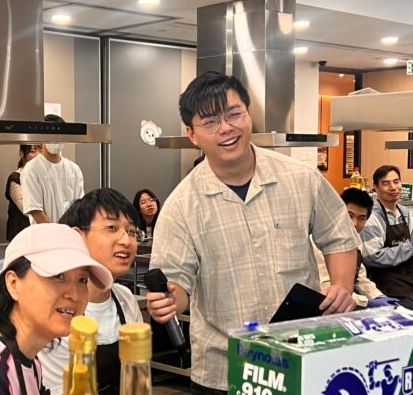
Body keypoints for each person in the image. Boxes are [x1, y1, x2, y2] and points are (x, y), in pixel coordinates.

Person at [145, 71, 359, 394]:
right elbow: (176, 283)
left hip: (300, 355)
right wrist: (169, 301)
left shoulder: (301, 178)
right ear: (192, 134)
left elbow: (339, 235)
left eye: (234, 114)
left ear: (249, 114)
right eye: (210, 122)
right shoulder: (181, 206)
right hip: (224, 369)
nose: (226, 128)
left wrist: (342, 285)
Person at [0, 223, 113, 394]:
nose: (74, 295)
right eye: (58, 276)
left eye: (82, 280)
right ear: (13, 284)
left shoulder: (29, 359)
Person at [40, 188, 144, 394]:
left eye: (131, 231)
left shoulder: (125, 299)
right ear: (77, 237)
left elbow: (138, 380)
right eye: (112, 227)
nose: (126, 240)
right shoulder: (57, 310)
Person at [317, 188, 397, 308]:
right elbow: (326, 287)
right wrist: (367, 302)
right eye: (350, 216)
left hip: (347, 300)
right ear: (338, 213)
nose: (354, 223)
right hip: (322, 303)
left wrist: (379, 297)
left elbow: (360, 278)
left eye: (361, 218)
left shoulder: (356, 241)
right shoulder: (321, 242)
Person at [360, 165, 413, 308]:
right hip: (387, 282)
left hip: (408, 277)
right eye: (386, 183)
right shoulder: (371, 216)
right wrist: (409, 247)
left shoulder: (405, 212)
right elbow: (372, 257)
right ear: (375, 187)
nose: (393, 187)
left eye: (396, 182)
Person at [21, 115, 84, 224]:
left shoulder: (74, 169)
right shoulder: (31, 170)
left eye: (60, 135)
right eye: (52, 135)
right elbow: (36, 210)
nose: (56, 140)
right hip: (44, 232)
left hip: (70, 231)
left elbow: (79, 207)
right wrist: (54, 232)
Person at [5, 144, 40, 240]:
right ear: (22, 153)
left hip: (38, 233)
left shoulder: (42, 177)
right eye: (33, 151)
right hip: (21, 235)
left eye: (39, 151)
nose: (37, 155)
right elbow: (26, 209)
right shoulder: (15, 178)